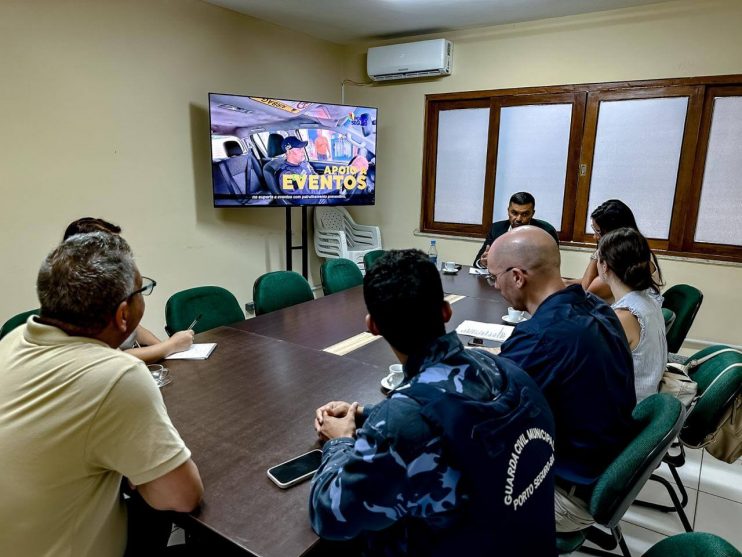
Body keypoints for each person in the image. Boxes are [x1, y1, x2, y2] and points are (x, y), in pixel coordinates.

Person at [310, 249, 557, 556]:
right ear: (445, 311)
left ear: (372, 325)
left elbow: (329, 516)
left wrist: (340, 442)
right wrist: (363, 415)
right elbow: (453, 417)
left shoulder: (402, 425)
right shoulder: (506, 369)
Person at [0, 232, 203, 556]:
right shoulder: (117, 376)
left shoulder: (13, 339)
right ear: (124, 315)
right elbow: (183, 496)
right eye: (142, 290)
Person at [487, 226, 635, 532]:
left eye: (494, 278)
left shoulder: (541, 340)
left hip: (564, 493)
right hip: (601, 464)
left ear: (517, 277)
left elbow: (483, 413)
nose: (495, 287)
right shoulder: (596, 308)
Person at [64, 217, 194, 363]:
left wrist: (163, 347)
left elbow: (134, 329)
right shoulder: (77, 300)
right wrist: (170, 346)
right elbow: (114, 358)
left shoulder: (111, 285)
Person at [597, 228, 668, 402]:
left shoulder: (624, 316)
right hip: (648, 401)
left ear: (604, 266)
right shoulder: (649, 299)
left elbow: (595, 373)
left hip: (630, 411)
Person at [568, 199, 662, 304]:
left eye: (598, 231)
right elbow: (593, 280)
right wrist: (567, 282)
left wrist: (599, 252)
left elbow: (587, 290)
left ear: (615, 232)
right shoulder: (634, 251)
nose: (595, 237)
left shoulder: (630, 261)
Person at [473, 191, 559, 268]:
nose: (518, 219)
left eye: (525, 214)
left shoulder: (546, 232)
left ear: (532, 213)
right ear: (508, 211)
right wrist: (482, 263)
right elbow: (477, 262)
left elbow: (553, 266)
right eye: (514, 213)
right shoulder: (496, 229)